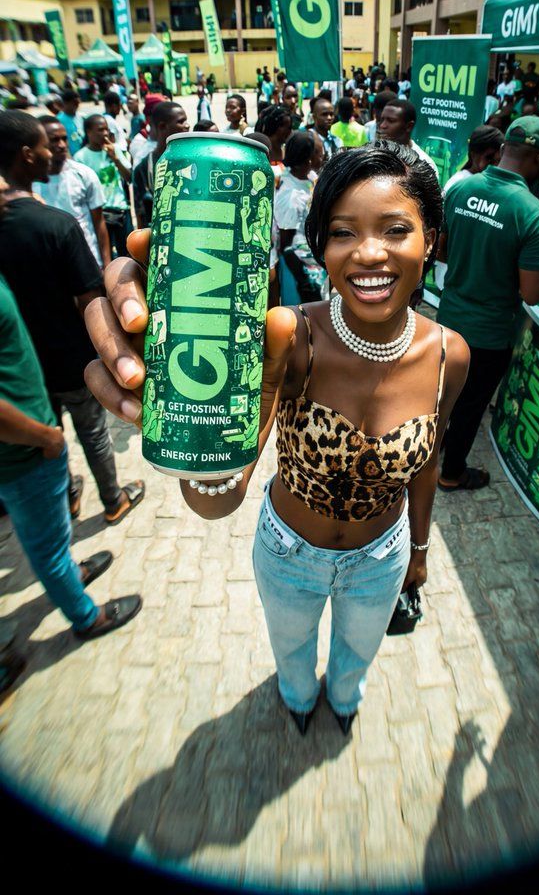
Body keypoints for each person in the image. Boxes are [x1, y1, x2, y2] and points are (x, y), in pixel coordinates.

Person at [84, 141, 470, 734]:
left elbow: (426, 463)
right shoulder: (291, 335)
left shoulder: (450, 355)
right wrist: (188, 412)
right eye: (343, 232)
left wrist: (418, 551)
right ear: (322, 248)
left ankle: (343, 701)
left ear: (431, 242)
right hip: (288, 554)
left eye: (395, 229)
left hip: (381, 559)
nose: (369, 252)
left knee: (356, 657)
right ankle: (294, 699)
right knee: (292, 653)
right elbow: (219, 501)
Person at [0, 113, 145, 524]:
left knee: (49, 432)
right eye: (46, 144)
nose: (52, 152)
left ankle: (66, 498)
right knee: (94, 432)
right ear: (27, 156)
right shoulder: (56, 226)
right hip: (70, 355)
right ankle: (113, 499)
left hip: (22, 366)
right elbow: (91, 300)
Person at [0, 262, 142, 649]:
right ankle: (86, 616)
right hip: (22, 451)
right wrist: (46, 437)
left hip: (32, 430)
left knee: (54, 533)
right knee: (44, 548)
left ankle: (72, 572)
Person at [436, 116, 539, 491]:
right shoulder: (534, 213)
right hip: (489, 333)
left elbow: (442, 251)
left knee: (442, 396)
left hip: (448, 319)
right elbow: (533, 292)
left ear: (505, 147)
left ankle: (428, 459)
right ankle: (451, 473)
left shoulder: (461, 189)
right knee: (471, 405)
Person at [33, 116, 111, 268]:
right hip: (51, 267)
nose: (61, 145)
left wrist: (106, 265)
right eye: (54, 140)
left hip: (88, 262)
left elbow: (99, 222)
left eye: (64, 139)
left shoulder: (84, 174)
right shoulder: (31, 182)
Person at [275, 131, 326, 303]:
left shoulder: (310, 177)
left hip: (315, 263)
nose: (324, 154)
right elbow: (285, 244)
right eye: (320, 151)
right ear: (309, 160)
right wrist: (303, 280)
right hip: (298, 271)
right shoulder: (290, 196)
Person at [74, 114, 133, 258]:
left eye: (106, 129)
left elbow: (129, 177)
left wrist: (116, 159)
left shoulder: (114, 150)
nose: (105, 133)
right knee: (108, 257)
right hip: (101, 215)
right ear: (88, 132)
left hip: (121, 211)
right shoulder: (80, 158)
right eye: (100, 130)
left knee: (128, 255)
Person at [132, 102, 189, 229]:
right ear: (163, 126)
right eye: (181, 122)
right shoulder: (144, 168)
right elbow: (140, 213)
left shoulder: (190, 160)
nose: (187, 125)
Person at [377, 100, 438, 175]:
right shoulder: (374, 153)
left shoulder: (423, 163)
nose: (382, 125)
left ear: (409, 126)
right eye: (382, 120)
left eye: (391, 121)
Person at [441, 125, 504, 196]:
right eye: (489, 159)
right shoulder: (458, 184)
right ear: (474, 154)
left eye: (499, 160)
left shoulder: (497, 185)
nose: (495, 165)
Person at [256, 105, 293, 184]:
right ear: (277, 127)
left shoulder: (286, 150)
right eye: (288, 127)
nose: (291, 131)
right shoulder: (261, 151)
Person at [309, 96, 341, 160]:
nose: (329, 118)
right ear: (314, 117)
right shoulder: (308, 140)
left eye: (331, 114)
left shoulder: (337, 141)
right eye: (324, 114)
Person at [58, 90, 86, 157]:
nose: (77, 106)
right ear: (66, 103)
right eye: (74, 103)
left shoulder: (82, 117)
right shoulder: (59, 120)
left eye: (78, 104)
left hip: (83, 154)